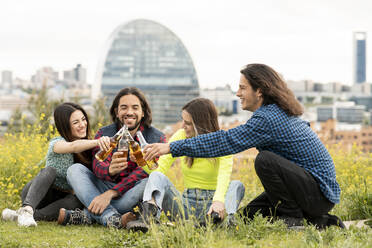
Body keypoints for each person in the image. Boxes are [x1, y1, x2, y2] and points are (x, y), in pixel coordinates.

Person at [143, 64, 345, 229]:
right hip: (307, 189)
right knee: (246, 218)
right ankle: (322, 221)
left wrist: (172, 147)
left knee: (265, 160)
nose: (238, 93)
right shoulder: (275, 112)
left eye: (242, 87)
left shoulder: (268, 118)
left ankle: (293, 219)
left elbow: (225, 141)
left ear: (259, 91)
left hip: (318, 192)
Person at [126, 98, 245, 232]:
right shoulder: (181, 136)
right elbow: (160, 169)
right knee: (157, 176)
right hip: (186, 206)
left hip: (212, 208)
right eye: (183, 120)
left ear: (201, 125)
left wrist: (218, 201)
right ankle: (149, 217)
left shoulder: (222, 141)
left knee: (236, 185)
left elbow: (224, 174)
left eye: (187, 123)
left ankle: (225, 221)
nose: (182, 126)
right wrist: (140, 160)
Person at [58, 87, 166, 228]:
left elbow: (144, 173)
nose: (129, 112)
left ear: (143, 112)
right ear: (117, 112)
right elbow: (97, 166)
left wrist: (110, 194)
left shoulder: (157, 137)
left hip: (130, 193)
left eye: (135, 107)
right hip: (102, 188)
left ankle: (87, 216)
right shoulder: (104, 133)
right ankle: (112, 217)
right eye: (124, 108)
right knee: (74, 170)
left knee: (150, 179)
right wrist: (110, 170)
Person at [2, 102, 110, 227]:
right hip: (39, 195)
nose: (82, 125)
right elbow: (73, 146)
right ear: (65, 126)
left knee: (76, 201)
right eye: (76, 122)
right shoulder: (57, 143)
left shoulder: (88, 150)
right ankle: (27, 209)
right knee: (50, 171)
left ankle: (23, 216)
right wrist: (98, 142)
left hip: (60, 200)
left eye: (83, 119)